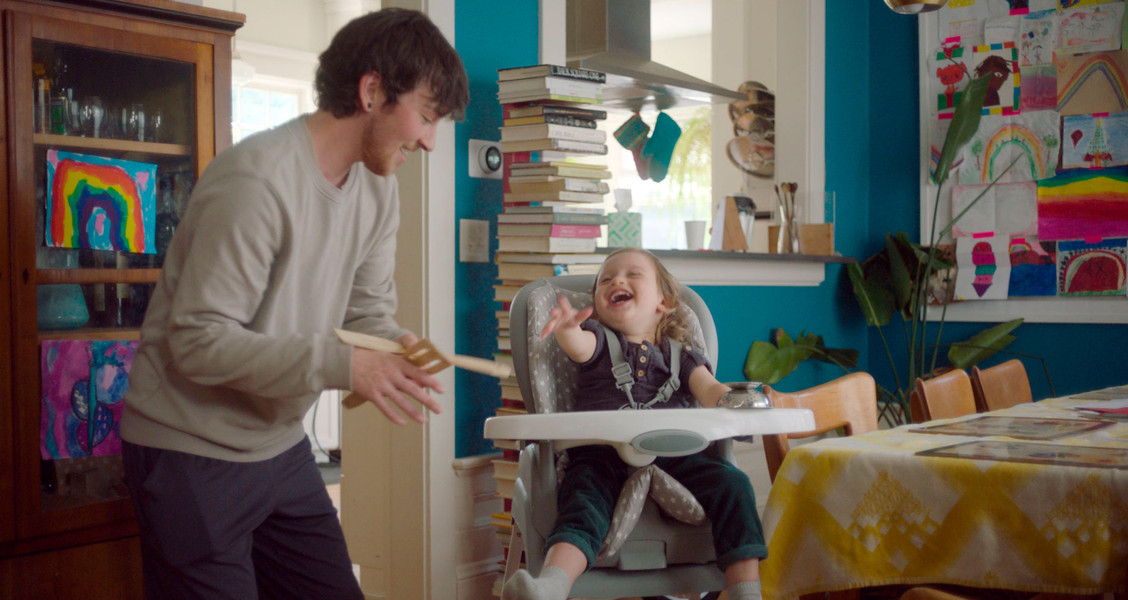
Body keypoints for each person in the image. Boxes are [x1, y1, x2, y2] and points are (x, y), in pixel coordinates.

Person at [118, 8, 468, 600]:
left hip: (277, 448)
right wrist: (345, 364)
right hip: (188, 451)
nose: (430, 141)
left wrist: (394, 345)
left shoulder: (379, 190)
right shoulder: (255, 181)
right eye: (427, 116)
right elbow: (199, 342)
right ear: (372, 90)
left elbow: (366, 315)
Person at [502, 248, 766, 600]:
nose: (617, 281)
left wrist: (742, 402)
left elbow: (711, 391)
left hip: (676, 455)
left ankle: (746, 590)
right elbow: (578, 346)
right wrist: (567, 329)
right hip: (601, 456)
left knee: (733, 484)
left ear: (664, 302)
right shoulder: (598, 339)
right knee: (584, 503)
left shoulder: (682, 356)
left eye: (632, 274)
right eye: (606, 279)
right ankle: (551, 585)